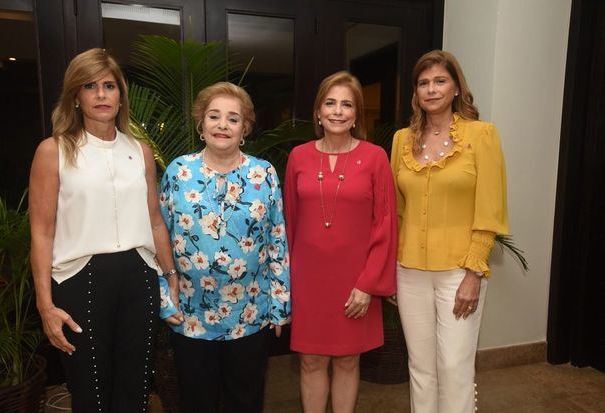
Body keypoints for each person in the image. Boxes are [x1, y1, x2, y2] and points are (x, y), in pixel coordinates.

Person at [29, 48, 177, 412]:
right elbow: (42, 232)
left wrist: (170, 274)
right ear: (75, 97)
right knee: (91, 393)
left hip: (140, 278)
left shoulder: (140, 151)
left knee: (135, 391)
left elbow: (155, 219)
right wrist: (45, 304)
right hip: (80, 282)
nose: (100, 94)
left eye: (109, 86)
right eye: (90, 86)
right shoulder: (53, 151)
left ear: (120, 96)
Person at [158, 82, 291, 413]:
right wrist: (163, 296)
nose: (222, 125)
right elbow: (156, 237)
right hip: (190, 317)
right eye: (214, 116)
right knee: (196, 403)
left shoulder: (264, 174)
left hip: (249, 315)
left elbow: (277, 241)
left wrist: (280, 304)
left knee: (245, 403)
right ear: (201, 124)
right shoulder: (178, 172)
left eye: (233, 119)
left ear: (245, 127)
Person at [390, 50, 509, 413]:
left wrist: (474, 273)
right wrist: (389, 272)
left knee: (454, 367)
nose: (431, 89)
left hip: (459, 272)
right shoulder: (400, 141)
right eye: (423, 83)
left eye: (440, 81)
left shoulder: (481, 136)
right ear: (416, 92)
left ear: (456, 87)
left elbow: (490, 211)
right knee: (421, 369)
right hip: (409, 272)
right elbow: (396, 212)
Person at [284, 71, 398, 413]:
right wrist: (285, 284)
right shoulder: (298, 157)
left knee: (349, 361)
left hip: (356, 282)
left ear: (356, 114)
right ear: (318, 112)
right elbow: (288, 222)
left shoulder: (376, 157)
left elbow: (386, 224)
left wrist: (368, 285)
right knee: (311, 361)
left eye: (346, 104)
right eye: (330, 103)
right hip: (308, 281)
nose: (337, 111)